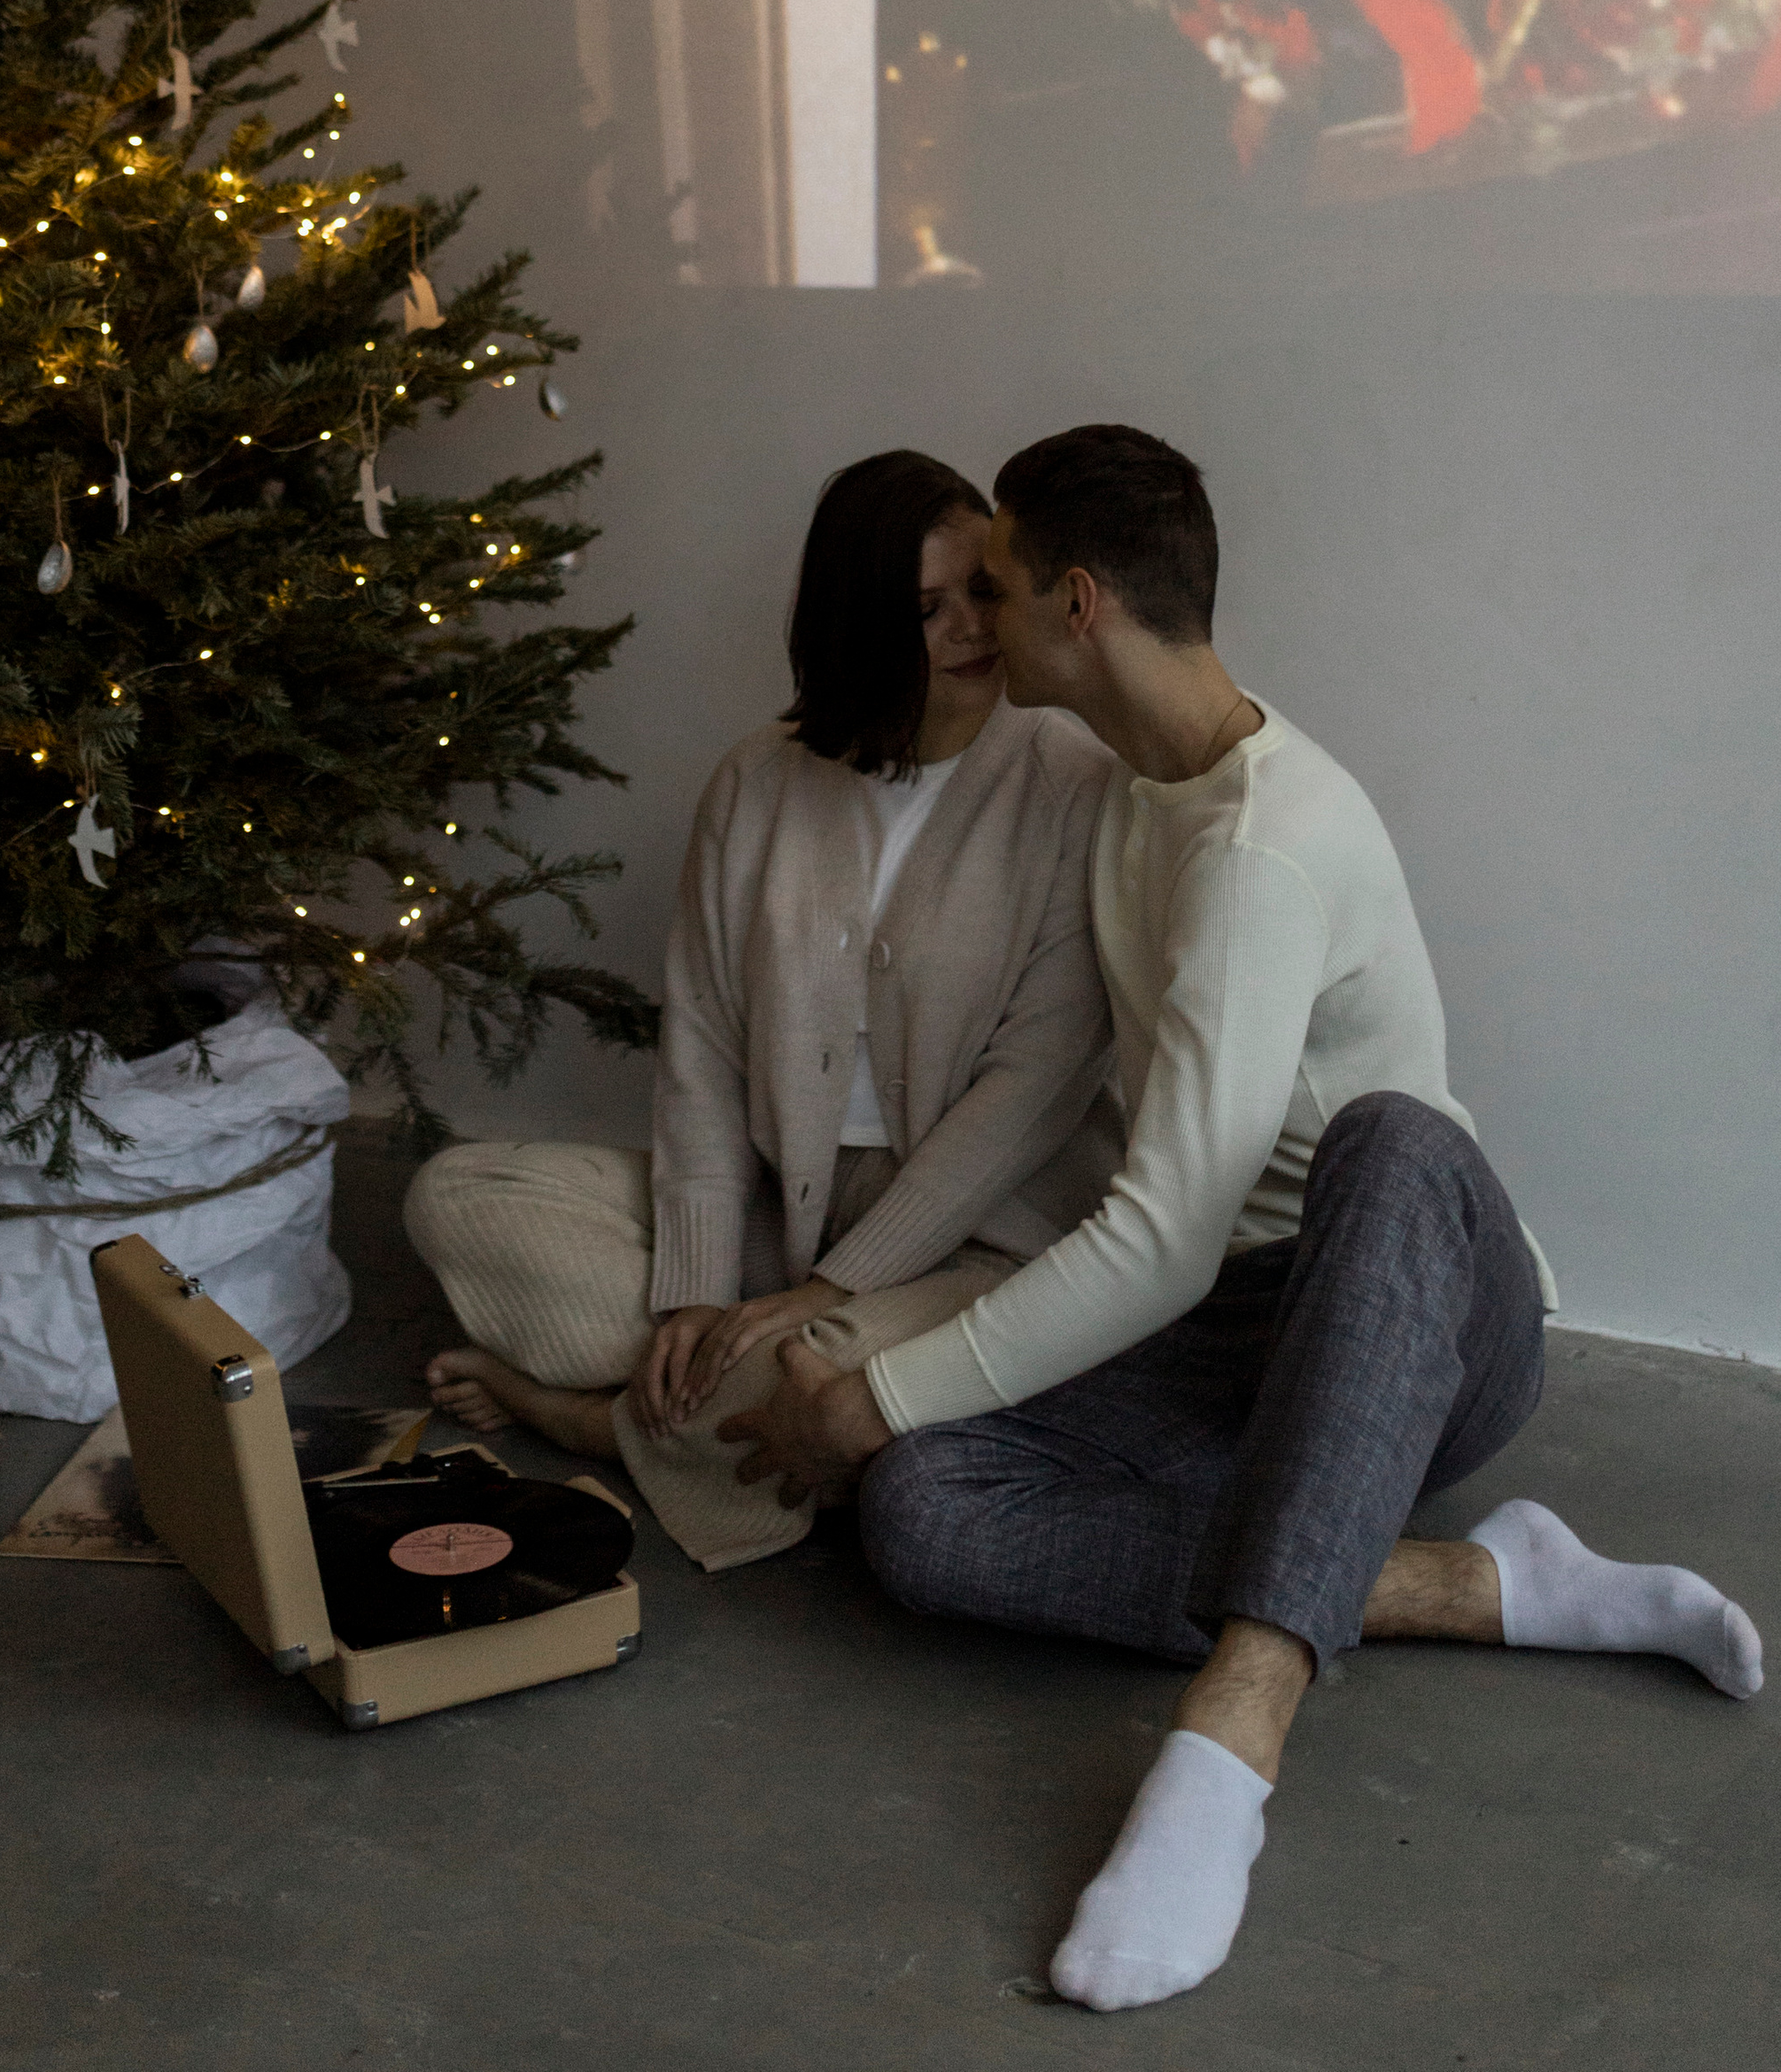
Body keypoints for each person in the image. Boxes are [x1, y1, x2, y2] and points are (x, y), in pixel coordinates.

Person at [721, 424, 1763, 2008]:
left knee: (1392, 1143)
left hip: (1427, 1318)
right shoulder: (1133, 797)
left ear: (1078, 605)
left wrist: (868, 1392)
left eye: (993, 586)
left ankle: (1235, 1730)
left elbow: (1166, 1229)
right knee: (925, 1511)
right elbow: (1113, 1164)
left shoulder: (1270, 840)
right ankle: (1472, 1584)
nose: (969, 617)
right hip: (1240, 1333)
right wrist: (870, 1369)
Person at [403, 447, 1122, 1571]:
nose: (970, 631)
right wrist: (699, 1285)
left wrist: (827, 1292)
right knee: (458, 1194)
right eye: (922, 610)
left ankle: (584, 1419)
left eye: (982, 590)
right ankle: (708, 1384)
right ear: (854, 623)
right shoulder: (756, 782)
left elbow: (1032, 1094)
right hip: (784, 1214)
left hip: (987, 1241)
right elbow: (698, 1047)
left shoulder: (1076, 786)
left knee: (815, 1379)